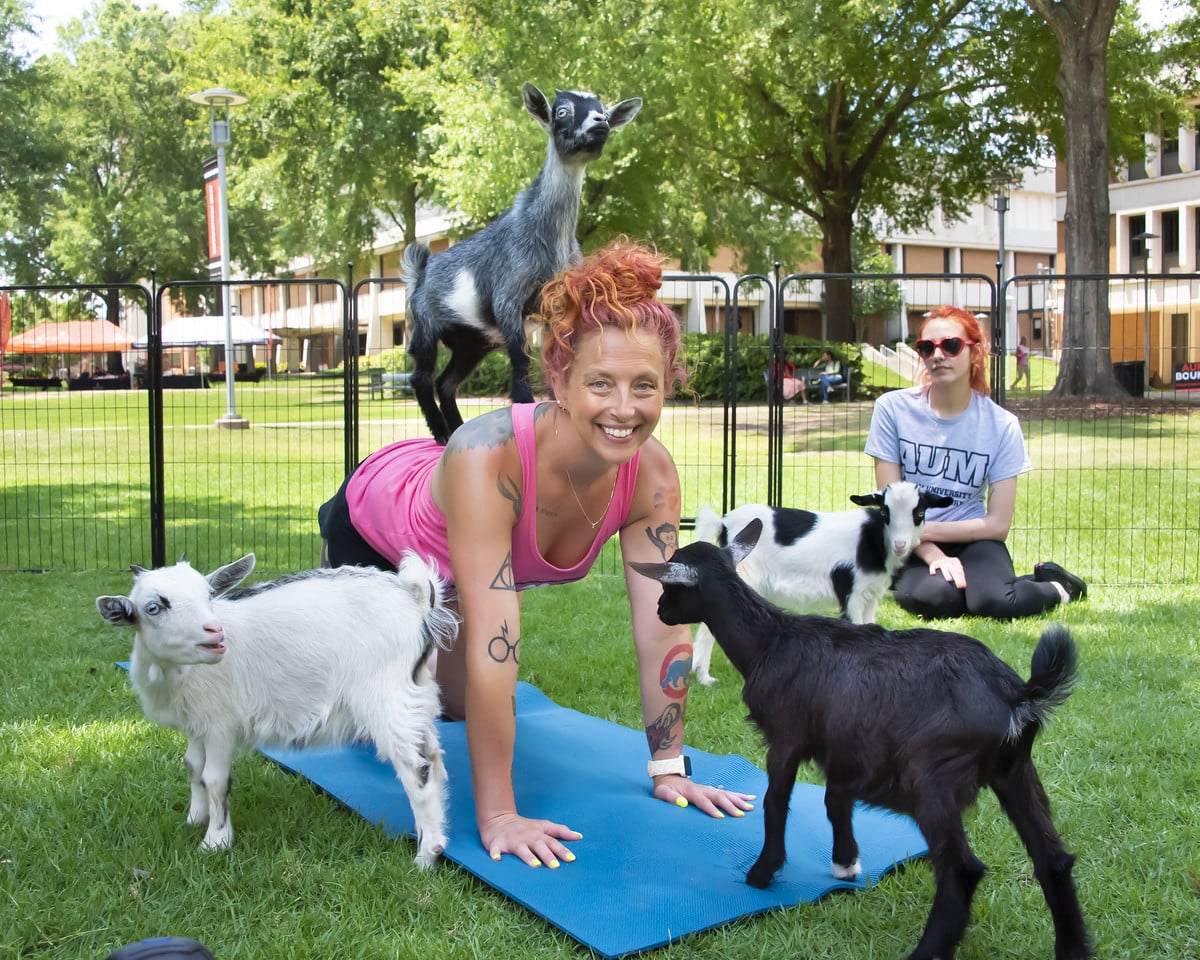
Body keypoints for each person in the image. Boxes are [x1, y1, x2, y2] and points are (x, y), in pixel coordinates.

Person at [318, 239, 754, 869]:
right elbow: (498, 643)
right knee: (366, 712)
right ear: (558, 378)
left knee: (460, 705)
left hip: (450, 562)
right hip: (374, 535)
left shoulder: (651, 475)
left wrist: (669, 767)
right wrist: (498, 814)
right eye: (600, 383)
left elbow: (665, 626)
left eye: (645, 386)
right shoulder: (486, 457)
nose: (624, 410)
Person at [863, 305, 1086, 620]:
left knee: (994, 602)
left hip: (971, 536)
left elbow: (997, 525)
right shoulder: (892, 410)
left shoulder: (1001, 425)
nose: (938, 355)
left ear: (975, 351)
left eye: (951, 345)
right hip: (909, 545)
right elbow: (894, 509)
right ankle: (965, 582)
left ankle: (1059, 587)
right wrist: (931, 551)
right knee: (938, 599)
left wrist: (924, 529)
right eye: (927, 347)